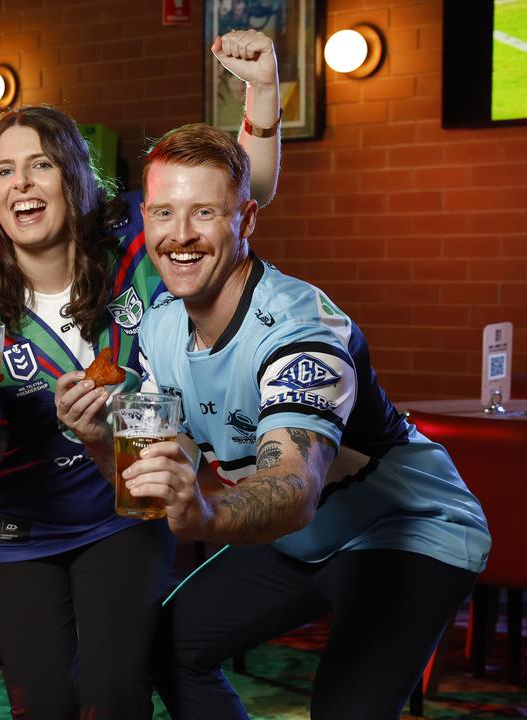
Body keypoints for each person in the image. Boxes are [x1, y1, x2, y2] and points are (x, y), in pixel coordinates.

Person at [0, 30, 282, 719]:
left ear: (75, 176)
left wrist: (265, 92)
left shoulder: (131, 235)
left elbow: (250, 188)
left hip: (123, 504)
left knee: (114, 693)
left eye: (40, 166)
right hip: (16, 522)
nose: (22, 184)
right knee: (46, 703)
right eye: (4, 171)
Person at [127, 122, 490, 718]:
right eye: (164, 213)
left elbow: (293, 489)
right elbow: (155, 460)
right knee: (166, 647)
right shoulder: (159, 325)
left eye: (205, 214)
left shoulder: (302, 333)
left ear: (245, 220)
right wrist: (96, 435)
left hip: (411, 530)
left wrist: (206, 514)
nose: (180, 236)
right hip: (305, 537)